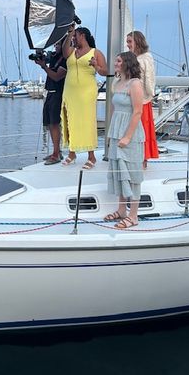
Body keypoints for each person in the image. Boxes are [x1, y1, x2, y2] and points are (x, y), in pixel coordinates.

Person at [105, 51, 145, 229]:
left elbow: (137, 111)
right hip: (117, 131)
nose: (116, 64)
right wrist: (112, 134)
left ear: (127, 63)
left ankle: (133, 216)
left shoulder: (135, 84)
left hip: (131, 132)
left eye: (119, 61)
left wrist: (127, 136)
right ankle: (121, 210)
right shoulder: (118, 82)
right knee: (119, 172)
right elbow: (115, 109)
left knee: (133, 173)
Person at [61, 26, 108, 167]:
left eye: (75, 36)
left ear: (82, 36)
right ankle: (71, 152)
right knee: (69, 120)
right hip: (69, 91)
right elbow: (64, 52)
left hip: (87, 91)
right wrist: (69, 33)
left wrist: (96, 65)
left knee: (87, 121)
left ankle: (91, 156)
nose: (73, 39)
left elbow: (105, 71)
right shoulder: (71, 51)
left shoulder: (96, 52)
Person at [126, 30, 159, 169]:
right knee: (133, 128)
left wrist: (149, 94)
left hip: (142, 99)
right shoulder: (134, 57)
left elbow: (149, 78)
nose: (127, 45)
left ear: (137, 42)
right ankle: (134, 156)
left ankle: (143, 158)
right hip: (132, 98)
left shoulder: (146, 58)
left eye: (130, 41)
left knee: (142, 129)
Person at [34, 38, 67, 165]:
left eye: (58, 44)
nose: (56, 46)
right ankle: (56, 151)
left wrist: (44, 67)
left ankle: (56, 153)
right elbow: (45, 57)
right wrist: (40, 54)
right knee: (49, 124)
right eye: (56, 44)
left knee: (54, 123)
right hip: (50, 93)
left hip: (58, 93)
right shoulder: (54, 56)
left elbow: (57, 77)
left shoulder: (65, 59)